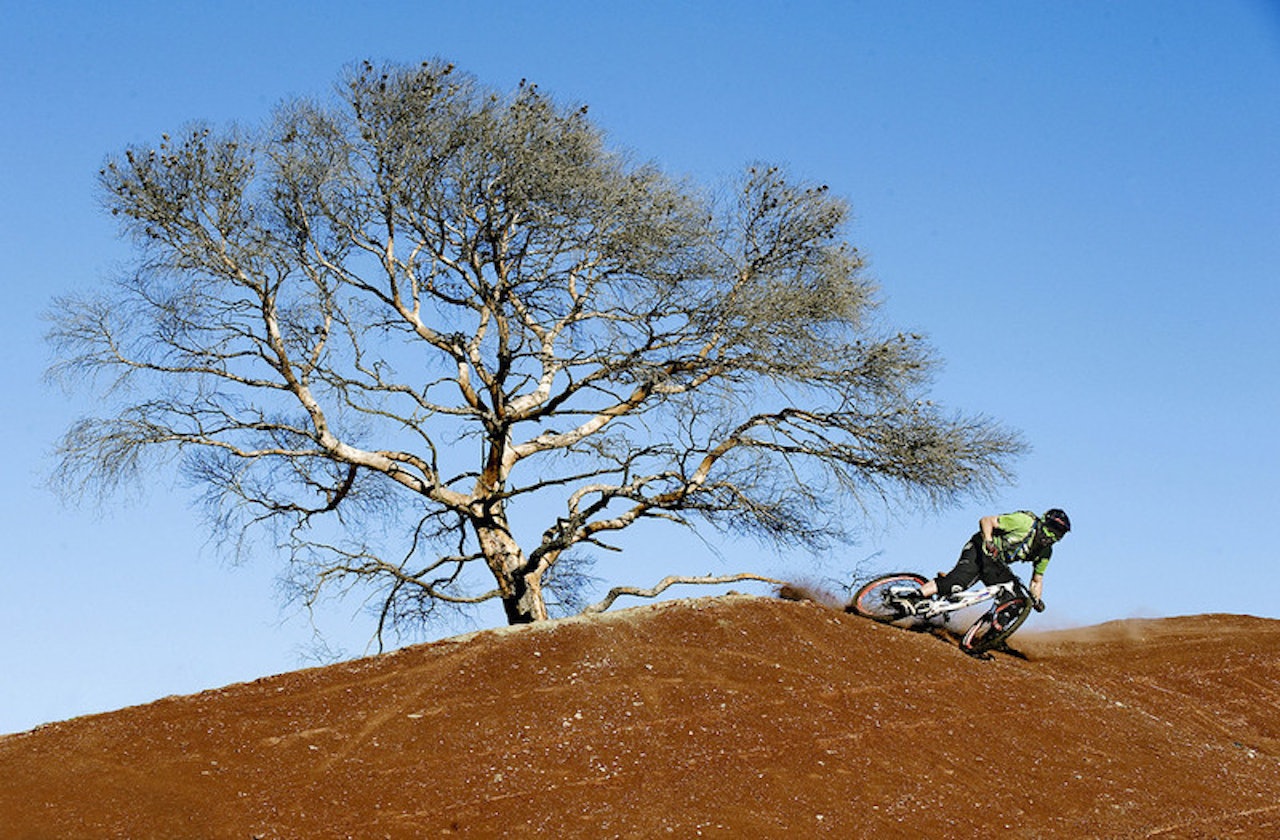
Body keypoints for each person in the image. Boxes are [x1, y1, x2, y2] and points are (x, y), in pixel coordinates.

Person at [900, 508, 1071, 613]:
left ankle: (994, 633)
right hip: (979, 549)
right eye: (1054, 529)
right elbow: (986, 520)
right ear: (1044, 523)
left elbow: (1036, 580)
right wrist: (988, 541)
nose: (1055, 535)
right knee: (955, 584)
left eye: (1060, 533)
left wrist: (1036, 600)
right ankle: (912, 597)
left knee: (1015, 600)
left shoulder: (1046, 552)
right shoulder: (1024, 522)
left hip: (996, 564)